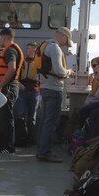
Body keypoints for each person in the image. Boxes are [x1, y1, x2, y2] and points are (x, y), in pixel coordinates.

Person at [36, 27, 72, 162]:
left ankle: (40, 150)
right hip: (53, 89)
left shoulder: (43, 46)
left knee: (44, 121)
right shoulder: (55, 48)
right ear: (62, 36)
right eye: (66, 42)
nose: (65, 46)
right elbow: (59, 71)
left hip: (44, 88)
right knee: (50, 123)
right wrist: (69, 71)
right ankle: (45, 153)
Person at [0, 28, 24, 155]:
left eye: (0, 38)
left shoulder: (10, 50)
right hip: (7, 87)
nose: (0, 40)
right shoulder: (10, 49)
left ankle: (9, 147)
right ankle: (0, 145)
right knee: (1, 117)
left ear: (3, 38)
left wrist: (0, 85)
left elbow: (12, 69)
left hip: (8, 88)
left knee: (7, 117)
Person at [13, 41, 41, 144]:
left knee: (32, 117)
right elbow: (15, 74)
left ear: (35, 49)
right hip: (22, 91)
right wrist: (18, 84)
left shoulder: (39, 62)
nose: (27, 50)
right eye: (27, 48)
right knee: (20, 114)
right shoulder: (21, 61)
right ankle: (21, 138)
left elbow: (43, 77)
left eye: (29, 48)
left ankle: (32, 139)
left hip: (35, 91)